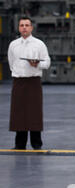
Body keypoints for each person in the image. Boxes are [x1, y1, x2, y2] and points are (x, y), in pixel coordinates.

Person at [8, 16, 51, 150]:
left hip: (33, 82)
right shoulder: (13, 45)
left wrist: (37, 64)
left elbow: (47, 63)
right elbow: (11, 63)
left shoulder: (39, 44)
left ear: (31, 28)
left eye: (27, 25)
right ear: (19, 28)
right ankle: (19, 144)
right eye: (22, 25)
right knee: (18, 112)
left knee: (34, 112)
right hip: (18, 82)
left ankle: (36, 144)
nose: (24, 28)